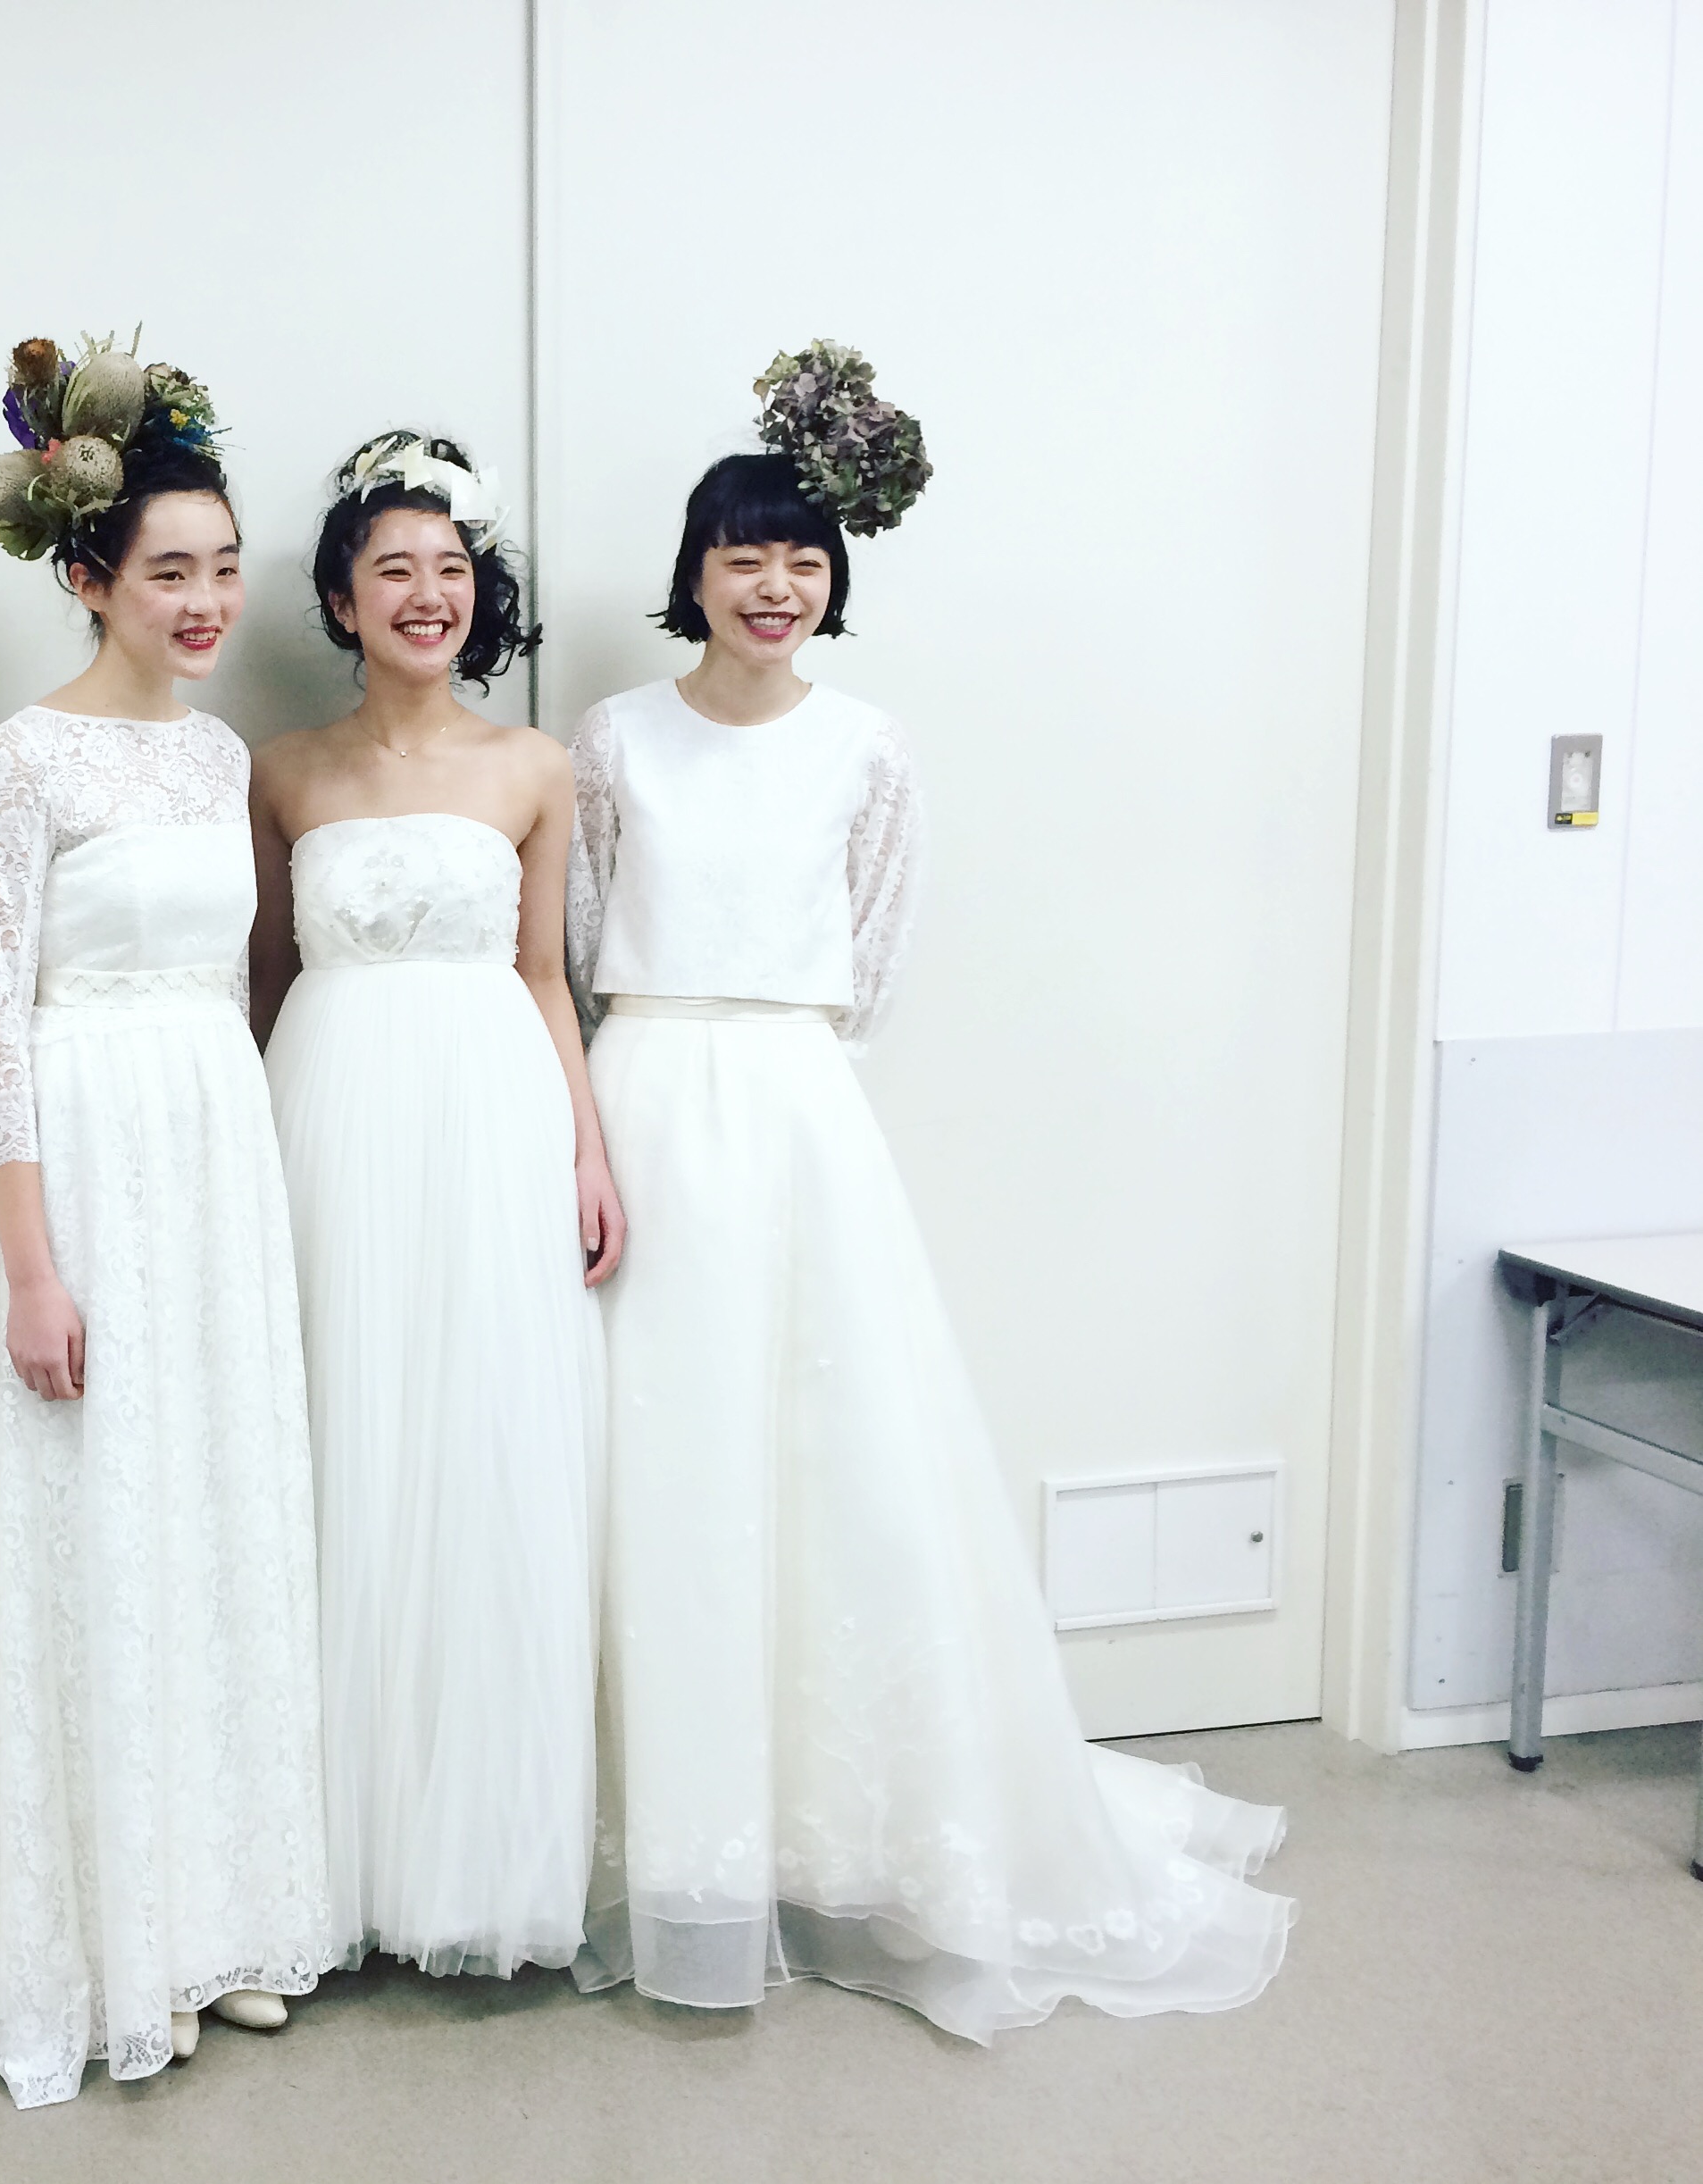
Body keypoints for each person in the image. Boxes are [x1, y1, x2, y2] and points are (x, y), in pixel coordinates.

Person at [567, 343, 1292, 2041]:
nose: (774, 585)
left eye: (803, 558)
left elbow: (874, 957)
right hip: (646, 1089)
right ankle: (659, 1823)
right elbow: (585, 937)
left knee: (831, 1460)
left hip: (800, 1110)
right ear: (693, 572)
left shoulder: (868, 748)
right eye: (743, 555)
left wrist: (777, 1061)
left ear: (835, 578)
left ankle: (833, 1827)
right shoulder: (612, 739)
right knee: (656, 1454)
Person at [0, 335, 334, 2107]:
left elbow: (241, 974)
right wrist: (30, 1262)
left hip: (214, 1141)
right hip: (91, 1142)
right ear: (86, 575)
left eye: (223, 568)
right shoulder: (24, 758)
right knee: (111, 1526)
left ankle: (233, 1915)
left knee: (222, 1509)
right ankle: (130, 1939)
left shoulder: (221, 752)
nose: (204, 601)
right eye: (168, 569)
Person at [247, 431, 614, 1982]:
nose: (426, 593)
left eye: (450, 568)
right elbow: (268, 977)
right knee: (339, 1442)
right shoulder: (281, 770)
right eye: (392, 568)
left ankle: (477, 1854)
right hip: (327, 1109)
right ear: (341, 600)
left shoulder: (535, 767)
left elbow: (546, 975)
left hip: (490, 1115)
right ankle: (323, 1858)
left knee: (481, 1445)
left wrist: (586, 1149)